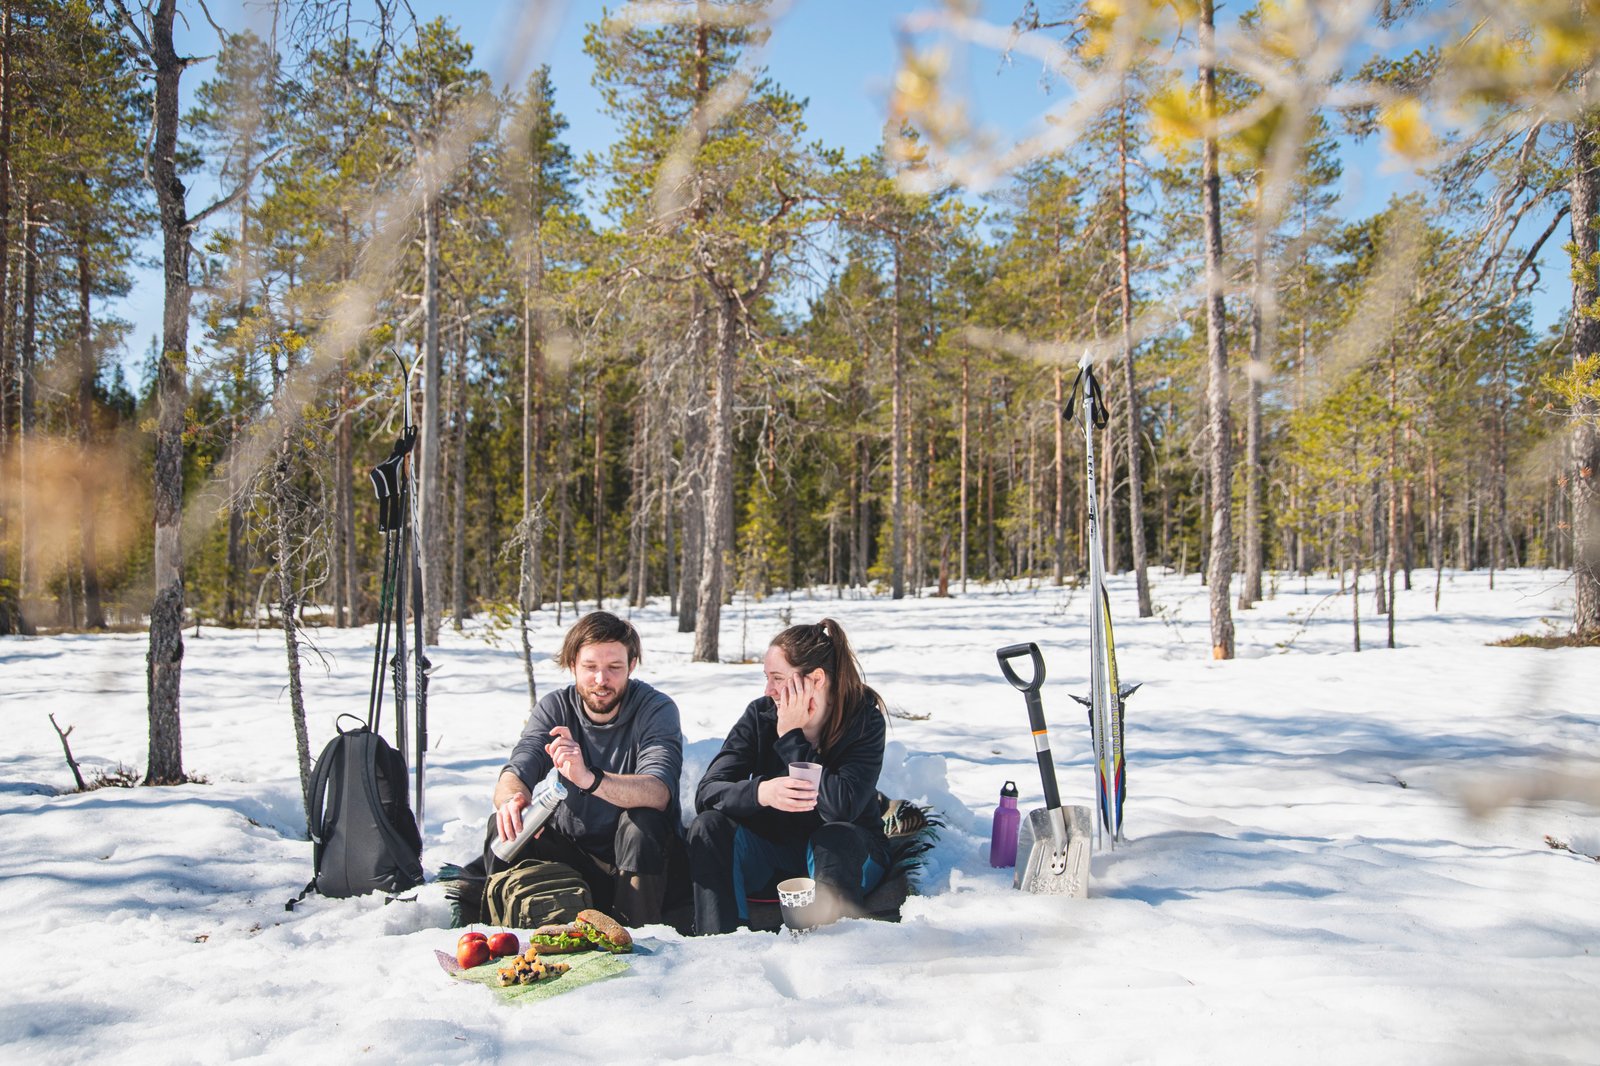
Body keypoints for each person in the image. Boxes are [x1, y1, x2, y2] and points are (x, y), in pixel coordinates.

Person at [687, 617, 890, 935]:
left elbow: (841, 808)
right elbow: (708, 791)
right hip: (772, 856)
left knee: (834, 836)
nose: (769, 690)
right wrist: (761, 792)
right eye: (767, 678)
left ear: (816, 679)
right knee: (708, 827)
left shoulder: (863, 721)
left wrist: (791, 737)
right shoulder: (760, 714)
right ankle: (721, 947)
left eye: (778, 678)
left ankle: (829, 950)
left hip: (849, 855)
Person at [490, 611, 682, 926]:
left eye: (614, 668)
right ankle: (504, 937)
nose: (601, 680)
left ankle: (637, 943)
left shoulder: (655, 709)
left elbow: (658, 791)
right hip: (574, 857)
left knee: (642, 822)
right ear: (573, 666)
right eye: (590, 667)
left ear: (631, 666)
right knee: (505, 826)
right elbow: (520, 765)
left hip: (643, 868)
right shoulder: (556, 707)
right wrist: (513, 800)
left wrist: (590, 779)